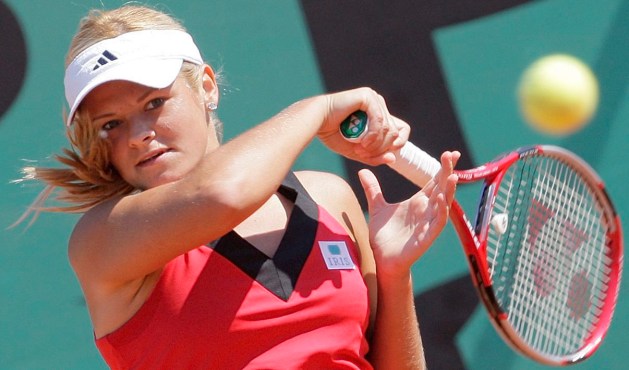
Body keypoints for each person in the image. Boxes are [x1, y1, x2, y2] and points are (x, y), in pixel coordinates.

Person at [18, 4, 459, 369]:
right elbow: (223, 195)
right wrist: (316, 111)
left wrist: (395, 275)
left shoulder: (329, 198)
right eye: (111, 124)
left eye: (154, 103)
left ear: (207, 87)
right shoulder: (103, 241)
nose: (136, 135)